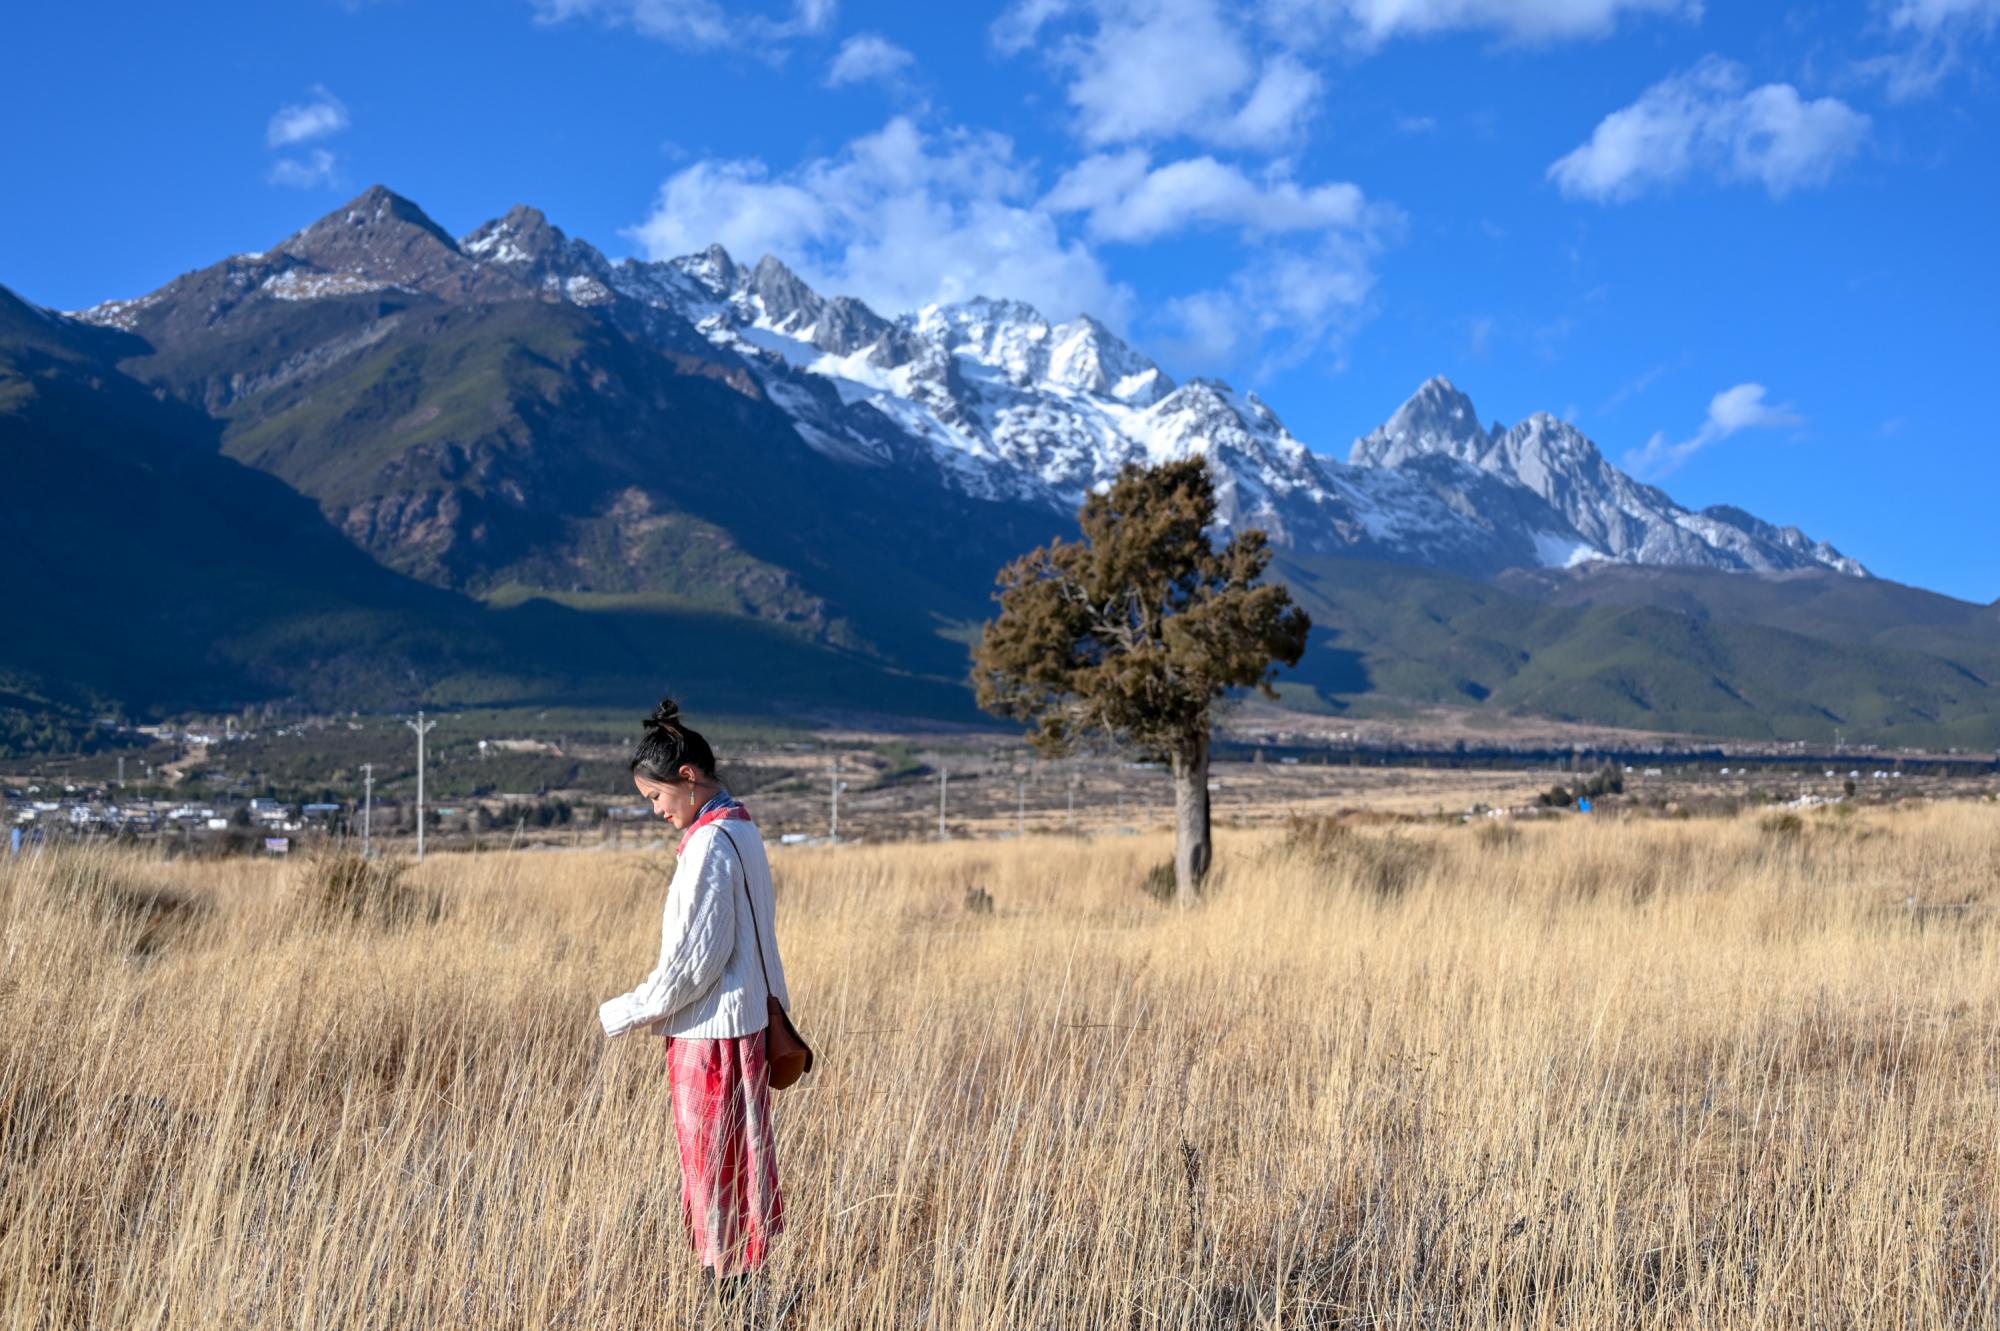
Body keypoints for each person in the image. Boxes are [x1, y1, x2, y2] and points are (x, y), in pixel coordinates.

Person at [598, 696, 790, 1299]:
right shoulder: (742, 828)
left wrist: (626, 1010)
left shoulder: (708, 846)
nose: (656, 811)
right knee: (740, 1162)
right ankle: (746, 1292)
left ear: (687, 777)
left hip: (712, 1034)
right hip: (747, 1023)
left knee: (712, 1167)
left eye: (656, 796)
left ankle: (727, 1295)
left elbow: (692, 963)